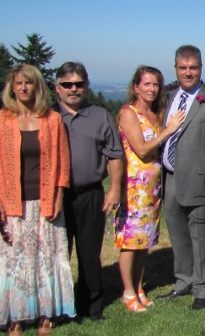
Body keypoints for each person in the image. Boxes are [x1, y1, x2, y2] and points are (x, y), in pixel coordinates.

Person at [0, 64, 74, 336]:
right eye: (19, 83)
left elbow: (63, 164)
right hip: (12, 203)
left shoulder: (52, 120)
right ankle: (14, 316)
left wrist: (59, 197)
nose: (24, 88)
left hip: (45, 201)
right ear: (12, 87)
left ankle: (45, 313)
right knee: (13, 259)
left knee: (45, 258)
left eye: (29, 83)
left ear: (38, 87)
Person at [155, 45, 205, 310]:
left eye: (193, 68)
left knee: (201, 237)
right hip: (170, 179)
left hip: (202, 182)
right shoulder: (167, 99)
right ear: (175, 69)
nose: (188, 72)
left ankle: (204, 289)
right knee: (178, 236)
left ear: (201, 68)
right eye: (182, 68)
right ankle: (183, 282)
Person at [54, 62, 124, 321]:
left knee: (89, 253)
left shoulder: (100, 115)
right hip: (54, 197)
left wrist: (114, 189)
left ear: (86, 86)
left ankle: (92, 306)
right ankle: (58, 305)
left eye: (79, 84)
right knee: (56, 253)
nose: (73, 89)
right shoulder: (46, 116)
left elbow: (115, 155)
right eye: (67, 84)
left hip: (90, 194)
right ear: (56, 87)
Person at [114, 66, 184, 312]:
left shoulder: (156, 113)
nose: (152, 89)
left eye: (156, 85)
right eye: (147, 84)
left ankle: (139, 286)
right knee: (130, 242)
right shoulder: (128, 113)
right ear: (136, 87)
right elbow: (142, 149)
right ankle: (128, 292)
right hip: (133, 190)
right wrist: (168, 130)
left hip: (153, 189)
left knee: (144, 242)